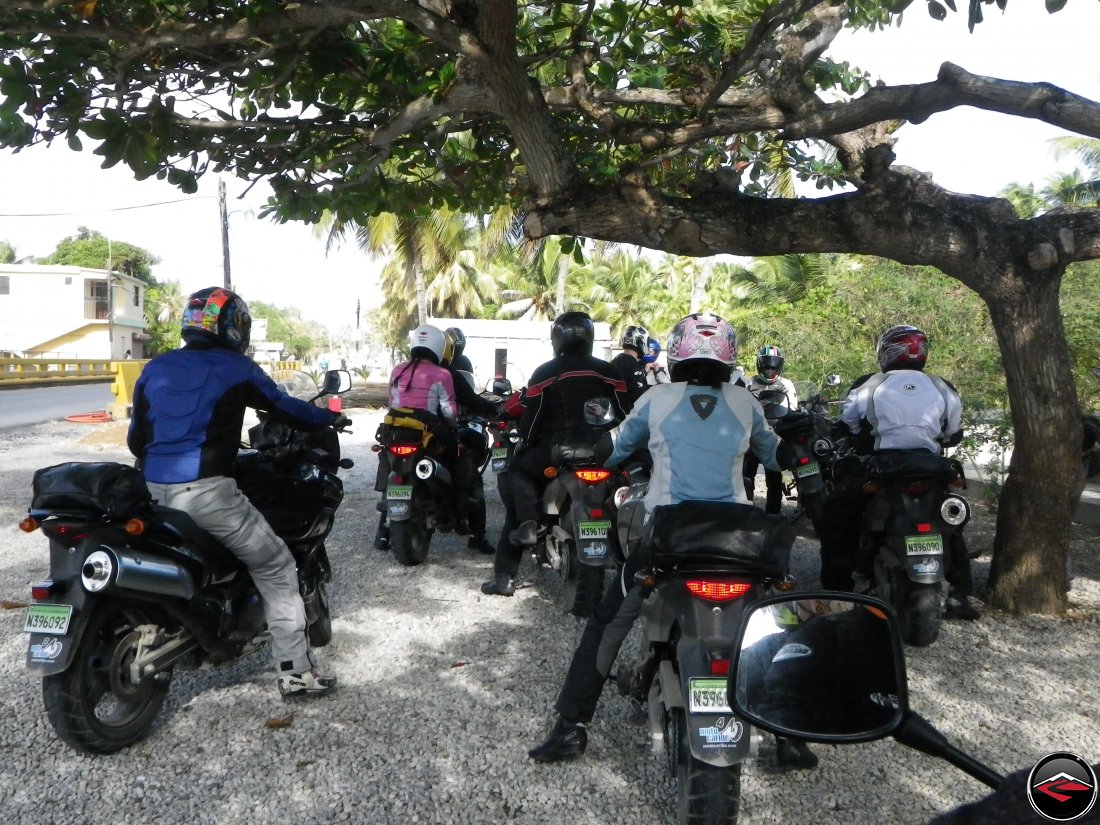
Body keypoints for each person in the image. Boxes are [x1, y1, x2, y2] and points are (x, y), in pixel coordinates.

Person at [527, 312, 796, 763]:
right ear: (729, 356)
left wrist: (585, 449)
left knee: (608, 621)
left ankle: (571, 726)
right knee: (770, 624)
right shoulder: (747, 403)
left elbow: (613, 448)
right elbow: (776, 454)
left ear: (677, 352)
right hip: (738, 542)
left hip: (667, 538)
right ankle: (790, 736)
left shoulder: (656, 399)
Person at [127, 287, 346, 699]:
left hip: (151, 493)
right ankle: (296, 673)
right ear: (233, 327)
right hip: (207, 494)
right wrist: (327, 417)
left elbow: (138, 439)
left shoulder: (157, 367)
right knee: (278, 566)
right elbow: (283, 406)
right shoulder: (235, 367)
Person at [816, 325, 980, 620]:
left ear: (887, 351)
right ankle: (961, 595)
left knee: (836, 517)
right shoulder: (942, 386)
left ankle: (836, 591)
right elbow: (953, 433)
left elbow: (848, 425)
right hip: (931, 471)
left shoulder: (869, 384)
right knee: (951, 526)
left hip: (882, 469)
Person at [504, 311, 629, 551]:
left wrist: (526, 440)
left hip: (558, 449)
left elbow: (532, 419)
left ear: (557, 339)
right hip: (605, 450)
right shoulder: (609, 371)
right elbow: (626, 413)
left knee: (519, 469)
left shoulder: (544, 373)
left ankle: (526, 532)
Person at [373, 324, 460, 551]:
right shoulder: (442, 374)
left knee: (386, 458)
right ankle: (455, 511)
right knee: (458, 457)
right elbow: (449, 411)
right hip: (425, 433)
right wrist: (452, 427)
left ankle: (382, 531)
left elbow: (392, 403)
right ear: (439, 348)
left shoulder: (397, 370)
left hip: (396, 431)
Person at [442, 329, 501, 555]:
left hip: (413, 431)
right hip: (445, 432)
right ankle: (478, 535)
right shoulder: (447, 373)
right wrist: (492, 410)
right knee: (472, 477)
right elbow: (469, 397)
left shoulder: (406, 370)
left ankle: (384, 529)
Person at [743, 345, 799, 514]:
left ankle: (773, 515)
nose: (769, 371)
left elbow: (793, 409)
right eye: (767, 366)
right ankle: (745, 512)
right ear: (760, 365)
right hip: (751, 435)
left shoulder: (787, 384)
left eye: (773, 367)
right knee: (746, 475)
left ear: (779, 367)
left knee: (774, 478)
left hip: (774, 435)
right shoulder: (748, 383)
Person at [609, 324, 649, 410]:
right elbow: (639, 400)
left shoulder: (614, 362)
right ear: (641, 342)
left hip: (614, 414)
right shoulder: (635, 367)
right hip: (628, 418)